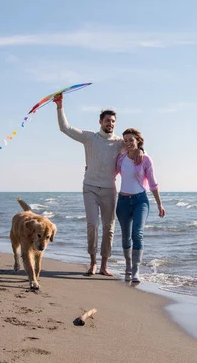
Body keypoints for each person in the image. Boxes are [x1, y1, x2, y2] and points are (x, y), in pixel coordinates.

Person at [54, 93, 141, 276]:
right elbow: (65, 128)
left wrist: (142, 151)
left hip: (109, 189)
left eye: (113, 121)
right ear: (100, 121)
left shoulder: (120, 143)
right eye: (108, 120)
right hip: (90, 187)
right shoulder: (90, 138)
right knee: (93, 224)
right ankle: (92, 263)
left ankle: (103, 265)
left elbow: (136, 146)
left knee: (109, 228)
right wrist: (60, 105)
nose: (111, 124)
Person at [115, 128, 165, 282]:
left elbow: (153, 184)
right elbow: (110, 172)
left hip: (140, 201)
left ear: (137, 141)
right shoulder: (121, 159)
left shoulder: (145, 159)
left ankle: (136, 271)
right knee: (125, 237)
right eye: (126, 140)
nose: (129, 143)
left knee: (137, 233)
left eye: (131, 140)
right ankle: (128, 267)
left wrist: (159, 205)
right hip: (123, 202)